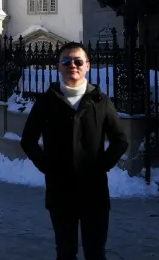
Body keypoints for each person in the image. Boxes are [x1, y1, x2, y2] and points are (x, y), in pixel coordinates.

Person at [20, 41, 129, 260]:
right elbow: (28, 140)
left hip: (94, 191)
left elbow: (120, 140)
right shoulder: (47, 102)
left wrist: (100, 166)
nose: (73, 65)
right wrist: (48, 166)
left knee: (95, 252)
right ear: (58, 66)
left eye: (78, 61)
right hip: (60, 190)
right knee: (65, 252)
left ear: (87, 65)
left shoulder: (101, 101)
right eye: (66, 61)